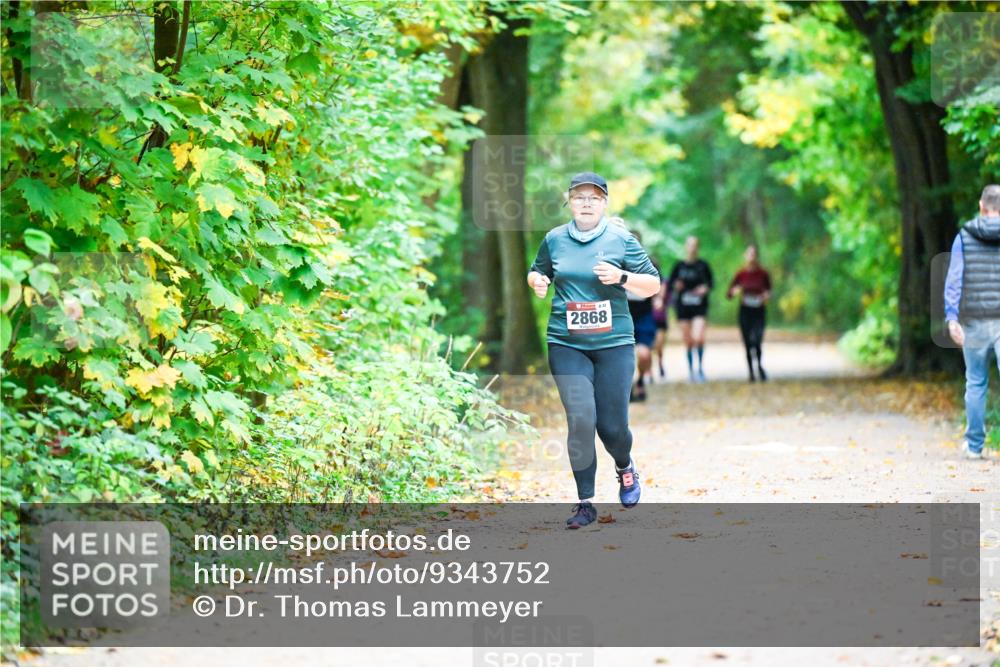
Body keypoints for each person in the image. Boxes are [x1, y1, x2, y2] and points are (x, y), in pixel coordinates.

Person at [527, 172, 661, 528]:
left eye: (594, 197)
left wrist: (621, 277)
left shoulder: (621, 240)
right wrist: (538, 281)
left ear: (604, 203)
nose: (586, 203)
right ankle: (585, 502)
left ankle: (624, 466)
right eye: (579, 197)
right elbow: (537, 272)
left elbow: (652, 284)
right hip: (566, 343)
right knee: (581, 418)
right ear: (569, 201)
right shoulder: (554, 240)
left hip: (614, 344)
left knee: (613, 427)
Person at [944, 183, 1000, 460]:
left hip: (975, 320)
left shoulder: (965, 236)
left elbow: (954, 279)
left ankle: (975, 447)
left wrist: (952, 317)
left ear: (981, 206)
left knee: (976, 382)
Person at [668, 236, 713, 382]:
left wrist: (704, 289)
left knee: (698, 337)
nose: (692, 248)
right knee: (688, 341)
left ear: (697, 248)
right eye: (689, 245)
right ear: (686, 247)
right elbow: (670, 284)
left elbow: (711, 283)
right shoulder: (679, 266)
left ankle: (700, 369)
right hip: (683, 307)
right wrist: (676, 286)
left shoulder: (703, 265)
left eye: (695, 245)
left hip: (699, 307)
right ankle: (691, 371)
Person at [726, 244, 772, 382]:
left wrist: (766, 295)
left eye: (754, 254)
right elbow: (729, 294)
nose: (751, 257)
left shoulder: (763, 274)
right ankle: (751, 371)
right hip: (745, 311)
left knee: (757, 341)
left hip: (759, 311)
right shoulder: (740, 274)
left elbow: (769, 290)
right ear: (745, 256)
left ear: (757, 256)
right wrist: (735, 291)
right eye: (749, 254)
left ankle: (759, 366)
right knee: (747, 342)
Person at [624, 228, 657, 402]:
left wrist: (659, 299)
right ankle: (627, 388)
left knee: (644, 354)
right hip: (623, 317)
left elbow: (660, 286)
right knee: (624, 357)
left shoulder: (650, 264)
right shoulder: (616, 264)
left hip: (644, 317)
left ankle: (641, 381)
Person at [651, 272, 670, 381]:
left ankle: (660, 363)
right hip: (649, 319)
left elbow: (667, 300)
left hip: (660, 319)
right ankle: (650, 371)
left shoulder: (664, 284)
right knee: (649, 346)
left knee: (659, 345)